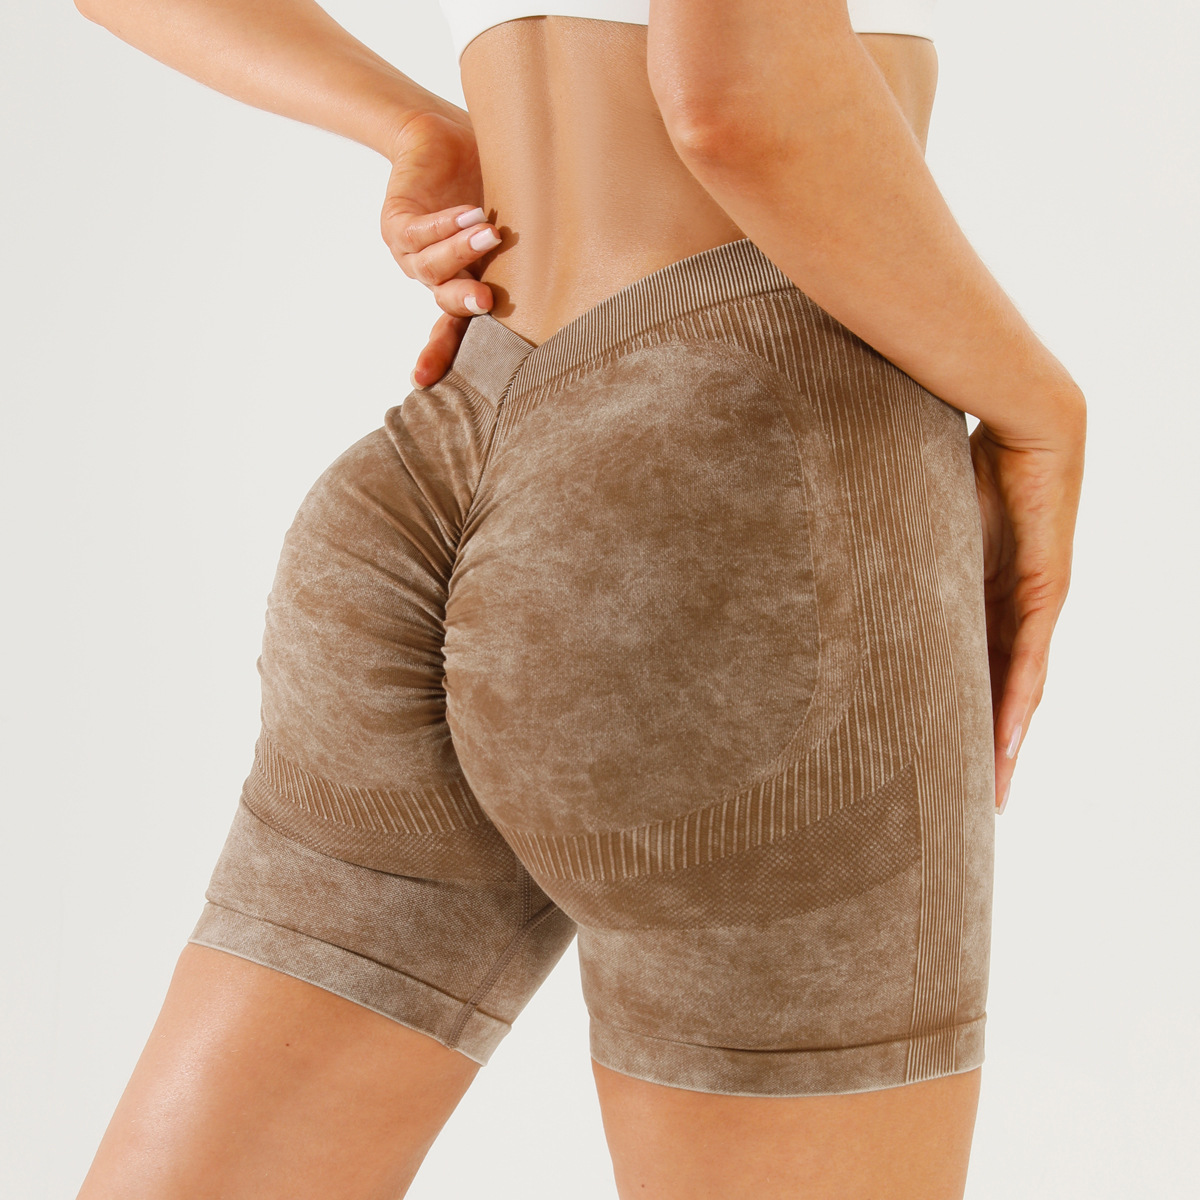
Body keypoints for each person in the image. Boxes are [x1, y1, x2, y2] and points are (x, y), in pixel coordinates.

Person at [71, 1, 1086, 1197]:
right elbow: (735, 101)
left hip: (441, 444)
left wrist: (415, 128)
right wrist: (1042, 412)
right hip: (745, 480)